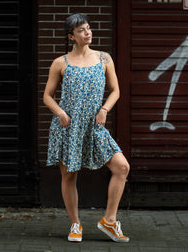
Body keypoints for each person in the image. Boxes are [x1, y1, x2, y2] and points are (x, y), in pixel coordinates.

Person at [43, 13, 130, 243]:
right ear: (71, 36)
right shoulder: (61, 62)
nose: (88, 32)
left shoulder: (104, 59)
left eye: (89, 28)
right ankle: (75, 224)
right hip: (68, 126)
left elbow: (116, 91)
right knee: (69, 175)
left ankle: (109, 221)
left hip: (95, 125)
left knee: (122, 167)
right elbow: (47, 97)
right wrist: (60, 112)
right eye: (81, 30)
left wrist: (105, 110)